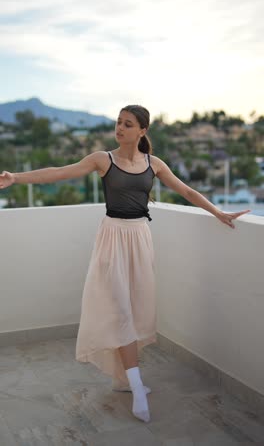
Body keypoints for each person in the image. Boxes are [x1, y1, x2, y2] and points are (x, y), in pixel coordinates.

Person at [0, 104, 250, 423]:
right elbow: (59, 172)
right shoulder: (102, 159)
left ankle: (126, 379)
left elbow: (185, 190)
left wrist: (218, 212)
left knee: (137, 309)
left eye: (128, 124)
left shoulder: (153, 164)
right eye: (118, 122)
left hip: (140, 237)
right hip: (112, 237)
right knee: (120, 310)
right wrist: (15, 177)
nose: (120, 128)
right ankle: (135, 384)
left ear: (142, 131)